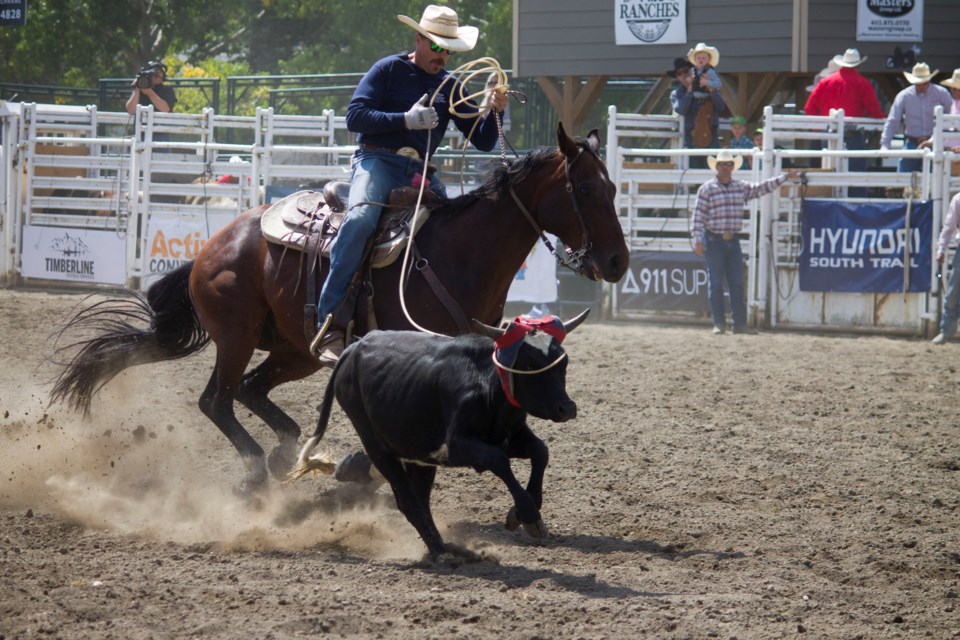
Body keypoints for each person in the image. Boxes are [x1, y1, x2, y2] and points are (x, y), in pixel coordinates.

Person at [312, 4, 508, 364]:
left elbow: (482, 140)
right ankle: (330, 323)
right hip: (377, 160)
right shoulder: (388, 69)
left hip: (420, 173)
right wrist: (406, 120)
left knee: (454, 230)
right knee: (358, 222)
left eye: (447, 49)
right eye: (436, 46)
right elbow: (354, 116)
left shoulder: (451, 86)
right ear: (418, 39)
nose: (442, 55)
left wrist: (495, 109)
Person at [690, 149, 799, 334]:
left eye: (729, 164)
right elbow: (698, 216)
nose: (725, 168)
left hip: (732, 241)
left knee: (736, 283)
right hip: (714, 239)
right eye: (723, 164)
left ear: (733, 167)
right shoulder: (707, 189)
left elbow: (761, 187)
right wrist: (698, 239)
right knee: (716, 283)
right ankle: (719, 323)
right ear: (716, 167)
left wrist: (782, 178)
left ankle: (738, 324)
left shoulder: (739, 187)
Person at [804, 48, 884, 195]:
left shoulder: (825, 82)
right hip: (852, 135)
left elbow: (809, 107)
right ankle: (855, 207)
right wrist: (883, 120)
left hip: (828, 135)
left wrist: (819, 130)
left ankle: (829, 203)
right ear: (858, 66)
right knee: (856, 175)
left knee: (828, 172)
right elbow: (874, 111)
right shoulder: (862, 83)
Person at [880, 62, 953, 173]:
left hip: (935, 143)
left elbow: (950, 118)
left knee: (936, 177)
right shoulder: (904, 96)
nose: (921, 86)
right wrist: (885, 144)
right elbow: (893, 120)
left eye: (924, 83)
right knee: (903, 175)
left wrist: (934, 139)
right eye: (918, 83)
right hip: (912, 142)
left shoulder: (941, 94)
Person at [669, 56, 725, 168]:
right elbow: (682, 110)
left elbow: (721, 107)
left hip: (711, 137)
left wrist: (711, 89)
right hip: (691, 140)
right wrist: (690, 89)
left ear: (691, 71)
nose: (684, 75)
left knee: (714, 175)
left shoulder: (707, 86)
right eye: (679, 74)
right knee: (694, 177)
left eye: (686, 71)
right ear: (677, 77)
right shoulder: (677, 93)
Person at [932, 192, 960, 345]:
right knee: (953, 293)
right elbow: (949, 227)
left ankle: (947, 331)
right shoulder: (958, 199)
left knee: (953, 292)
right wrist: (941, 249)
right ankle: (947, 331)